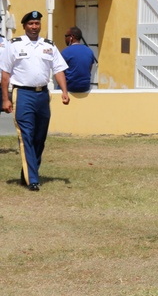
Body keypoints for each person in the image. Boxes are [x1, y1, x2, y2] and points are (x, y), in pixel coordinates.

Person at [0, 11, 70, 191]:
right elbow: (5, 74)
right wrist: (5, 99)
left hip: (42, 95)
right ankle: (33, 179)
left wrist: (64, 91)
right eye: (30, 24)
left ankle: (28, 172)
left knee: (40, 137)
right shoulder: (14, 45)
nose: (34, 27)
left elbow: (59, 69)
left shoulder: (48, 45)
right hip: (23, 94)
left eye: (37, 24)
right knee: (26, 136)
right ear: (24, 26)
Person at [61, 27, 97, 93]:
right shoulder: (89, 51)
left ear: (72, 37)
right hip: (85, 87)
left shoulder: (65, 52)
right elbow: (89, 70)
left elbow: (60, 72)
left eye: (66, 36)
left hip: (70, 87)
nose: (65, 38)